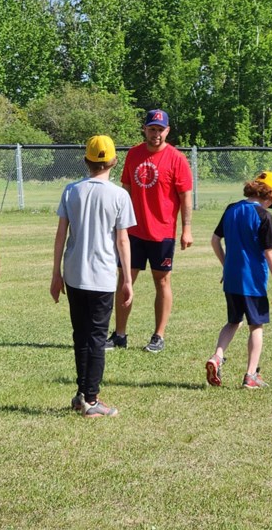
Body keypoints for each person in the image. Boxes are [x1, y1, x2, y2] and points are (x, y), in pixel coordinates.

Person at [51, 136, 136, 417]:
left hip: (74, 273)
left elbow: (61, 235)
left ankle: (81, 393)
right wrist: (126, 279)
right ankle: (91, 398)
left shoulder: (71, 191)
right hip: (101, 276)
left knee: (81, 335)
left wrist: (55, 274)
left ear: (86, 161)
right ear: (113, 161)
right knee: (97, 338)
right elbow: (123, 241)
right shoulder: (119, 195)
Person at [105, 109, 193, 353]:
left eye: (160, 129)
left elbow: (185, 197)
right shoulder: (134, 154)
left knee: (162, 281)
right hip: (133, 231)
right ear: (145, 129)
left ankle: (158, 335)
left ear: (167, 131)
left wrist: (186, 229)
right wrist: (117, 224)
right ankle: (119, 334)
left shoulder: (176, 159)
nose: (156, 134)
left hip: (162, 232)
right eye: (152, 129)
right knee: (125, 280)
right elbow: (125, 190)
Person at [205, 171, 272, 389]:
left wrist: (227, 264)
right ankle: (251, 376)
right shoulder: (263, 216)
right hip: (253, 281)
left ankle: (217, 357)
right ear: (270, 195)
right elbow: (270, 252)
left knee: (233, 321)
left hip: (231, 278)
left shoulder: (232, 209)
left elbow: (214, 240)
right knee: (256, 326)